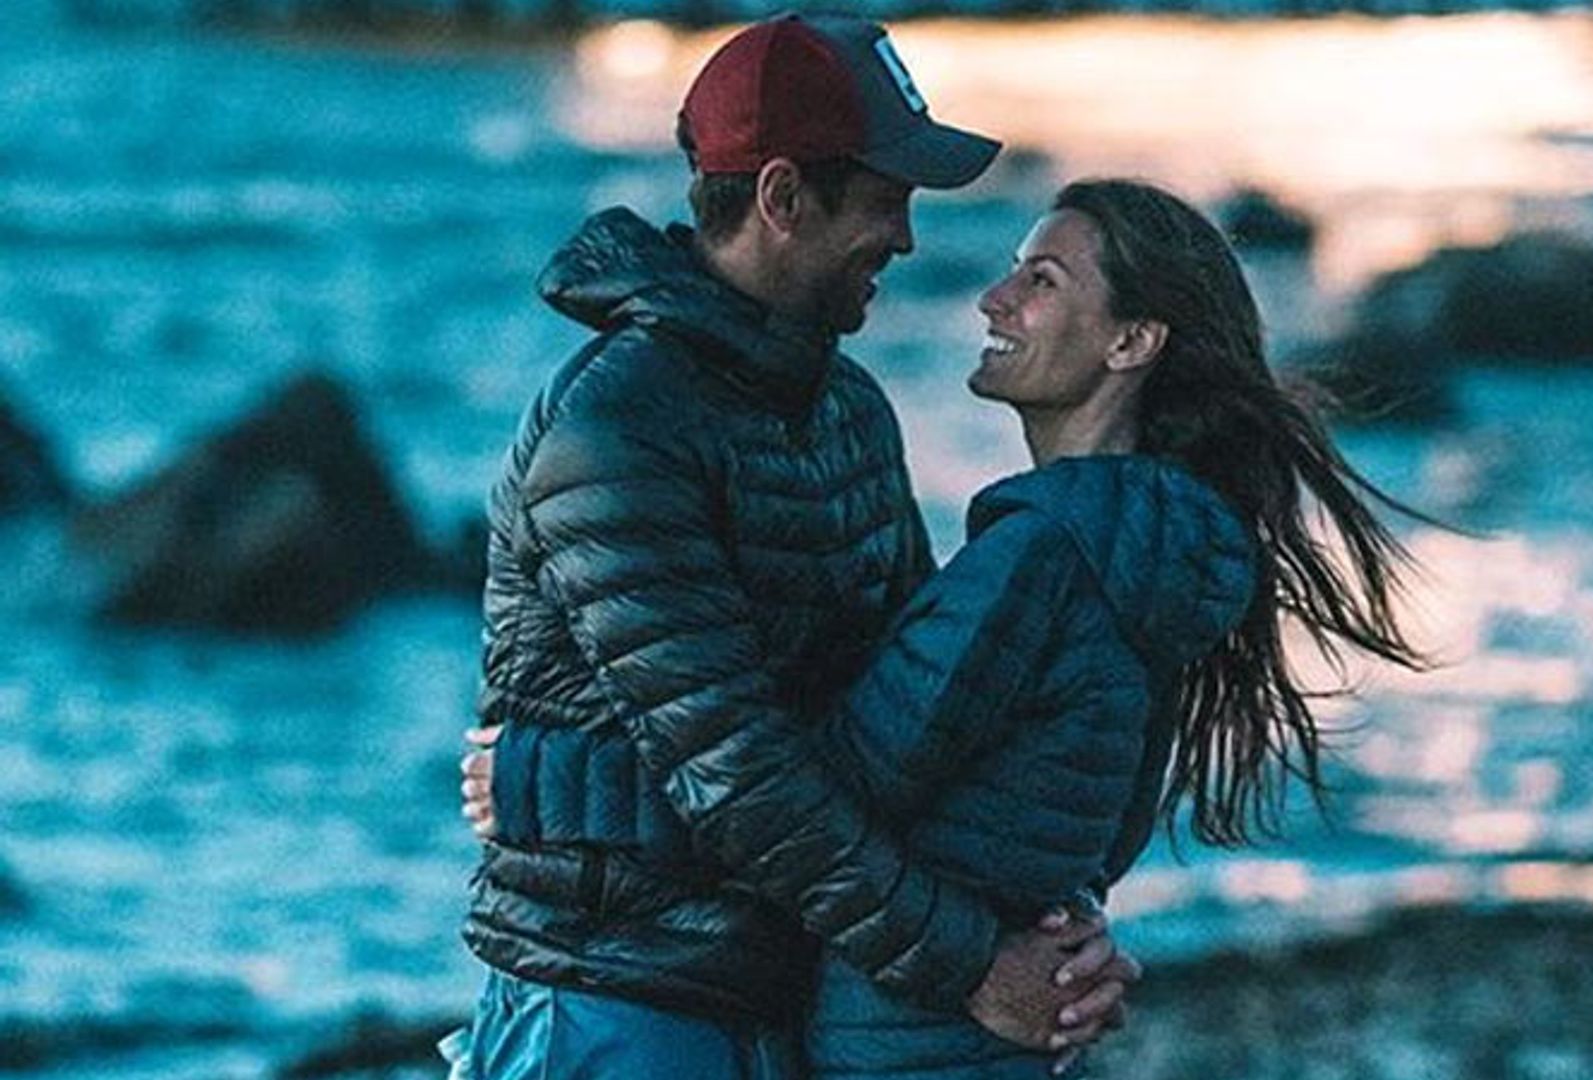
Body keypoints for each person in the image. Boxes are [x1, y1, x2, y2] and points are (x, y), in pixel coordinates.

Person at [469, 178, 1429, 1077]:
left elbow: (821, 786)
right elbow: (1090, 836)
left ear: (1133, 342)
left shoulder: (1041, 561)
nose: (992, 298)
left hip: (911, 1037)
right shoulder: (1157, 557)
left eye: (1041, 281)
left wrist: (540, 778)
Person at [449, 14, 1136, 1080]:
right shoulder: (621, 429)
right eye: (883, 198)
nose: (905, 238)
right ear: (780, 199)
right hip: (615, 1003)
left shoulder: (847, 408)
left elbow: (911, 727)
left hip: (783, 994)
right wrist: (969, 965)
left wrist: (1057, 927)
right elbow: (739, 773)